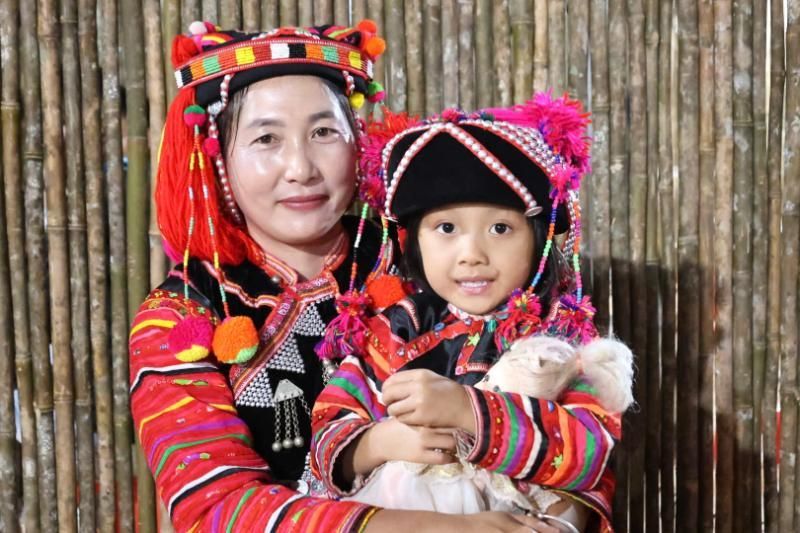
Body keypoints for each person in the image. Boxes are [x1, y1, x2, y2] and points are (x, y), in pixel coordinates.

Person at [129, 19, 555, 532]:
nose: (301, 167)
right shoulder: (183, 315)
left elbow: (565, 409)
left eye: (324, 132)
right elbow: (213, 507)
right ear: (219, 159)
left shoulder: (434, 261)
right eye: (266, 138)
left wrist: (562, 517)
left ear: (357, 140)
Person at [310, 96, 631, 532]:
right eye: (446, 229)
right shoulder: (393, 332)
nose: (472, 255)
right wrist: (378, 442)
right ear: (414, 241)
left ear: (537, 237)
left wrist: (469, 411)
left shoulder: (560, 342)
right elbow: (329, 429)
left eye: (500, 229)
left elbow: (590, 452)